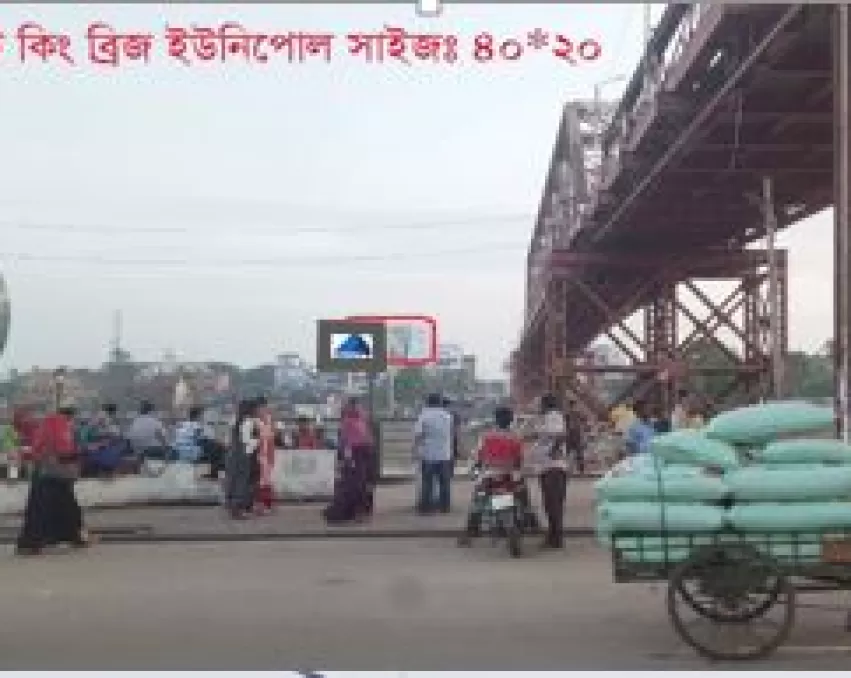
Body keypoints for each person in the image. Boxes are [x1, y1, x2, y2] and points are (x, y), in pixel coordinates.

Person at [16, 403, 92, 555]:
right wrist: (80, 452)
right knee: (67, 509)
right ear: (70, 415)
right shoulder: (60, 425)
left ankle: (32, 543)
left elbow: (36, 448)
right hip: (55, 474)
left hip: (42, 473)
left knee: (40, 509)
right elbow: (63, 450)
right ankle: (73, 537)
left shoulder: (45, 424)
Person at [460, 405, 532, 544]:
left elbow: (478, 457)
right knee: (523, 496)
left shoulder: (487, 437)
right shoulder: (515, 437)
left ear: (496, 420)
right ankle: (529, 520)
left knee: (477, 502)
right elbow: (520, 459)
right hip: (509, 476)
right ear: (511, 420)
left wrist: (475, 468)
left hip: (489, 475)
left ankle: (470, 532)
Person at [527, 393, 568, 550]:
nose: (538, 407)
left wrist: (554, 451)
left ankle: (556, 539)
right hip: (546, 466)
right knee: (550, 504)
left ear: (546, 405)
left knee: (553, 504)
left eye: (540, 404)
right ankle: (553, 536)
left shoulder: (553, 416)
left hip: (554, 467)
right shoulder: (546, 418)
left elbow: (560, 435)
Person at [324, 399, 375, 523]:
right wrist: (346, 458)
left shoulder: (357, 421)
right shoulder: (354, 421)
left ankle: (359, 511)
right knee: (357, 484)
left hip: (360, 454)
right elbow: (345, 442)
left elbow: (345, 441)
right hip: (357, 454)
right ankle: (358, 512)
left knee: (359, 484)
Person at [413, 393, 453, 514]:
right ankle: (445, 507)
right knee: (444, 482)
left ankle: (426, 508)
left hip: (428, 454)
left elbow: (419, 435)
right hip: (444, 453)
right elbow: (450, 434)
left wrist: (415, 450)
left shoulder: (424, 416)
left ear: (428, 402)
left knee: (427, 482)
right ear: (439, 402)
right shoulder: (447, 416)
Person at [226, 399, 259, 519]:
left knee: (233, 479)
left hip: (232, 453)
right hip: (243, 453)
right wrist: (256, 442)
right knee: (242, 481)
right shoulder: (248, 422)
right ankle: (238, 507)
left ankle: (232, 505)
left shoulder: (234, 420)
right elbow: (247, 441)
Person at [253, 397, 276, 515]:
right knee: (259, 480)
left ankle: (267, 504)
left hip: (268, 454)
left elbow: (272, 436)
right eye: (261, 407)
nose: (262, 409)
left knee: (266, 480)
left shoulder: (269, 419)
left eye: (264, 407)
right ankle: (259, 504)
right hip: (259, 453)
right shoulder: (255, 421)